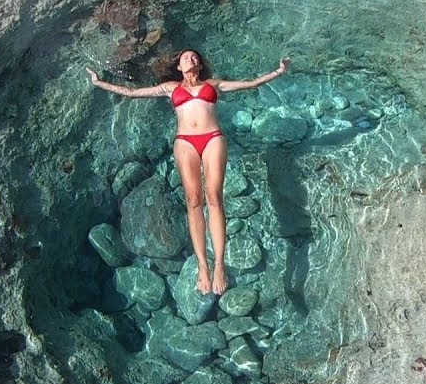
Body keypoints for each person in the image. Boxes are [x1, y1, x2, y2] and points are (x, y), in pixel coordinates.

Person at [87, 49, 290, 295]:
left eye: (194, 57)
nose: (190, 59)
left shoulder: (213, 85)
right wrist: (99, 83)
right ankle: (203, 266)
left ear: (200, 65)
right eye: (185, 58)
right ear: (179, 68)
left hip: (213, 138)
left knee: (214, 199)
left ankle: (219, 266)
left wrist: (278, 72)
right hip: (185, 142)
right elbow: (132, 92)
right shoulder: (171, 87)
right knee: (194, 201)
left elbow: (250, 83)